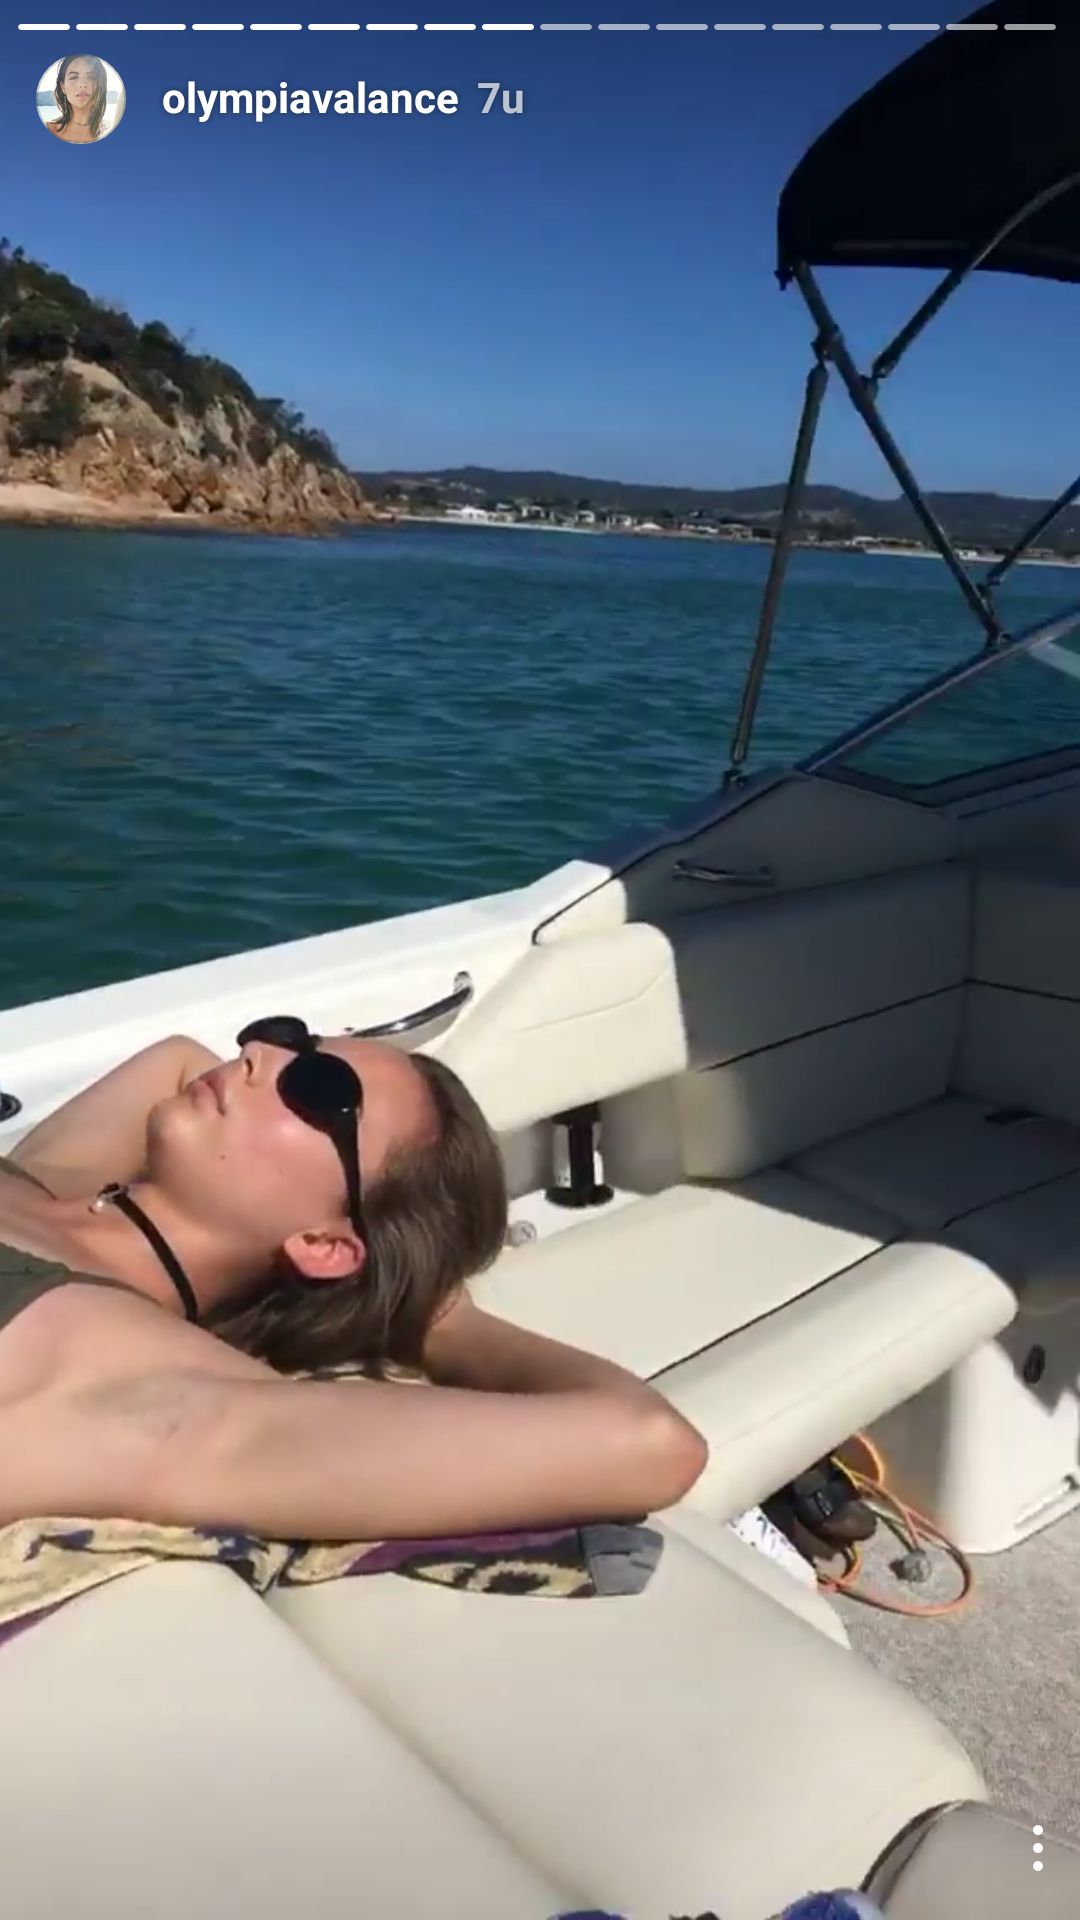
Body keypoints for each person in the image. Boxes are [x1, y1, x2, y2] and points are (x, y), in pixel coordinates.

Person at [0, 1022, 707, 1542]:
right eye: (292, 1040)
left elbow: (648, 1442)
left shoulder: (140, 1381)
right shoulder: (44, 1186)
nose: (258, 1051)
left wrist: (433, 1316)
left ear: (326, 1245)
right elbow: (176, 1057)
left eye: (320, 1088)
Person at [46, 54, 113, 145]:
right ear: (63, 87)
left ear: (100, 85)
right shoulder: (49, 129)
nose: (82, 84)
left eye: (91, 77)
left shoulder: (110, 130)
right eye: (73, 77)